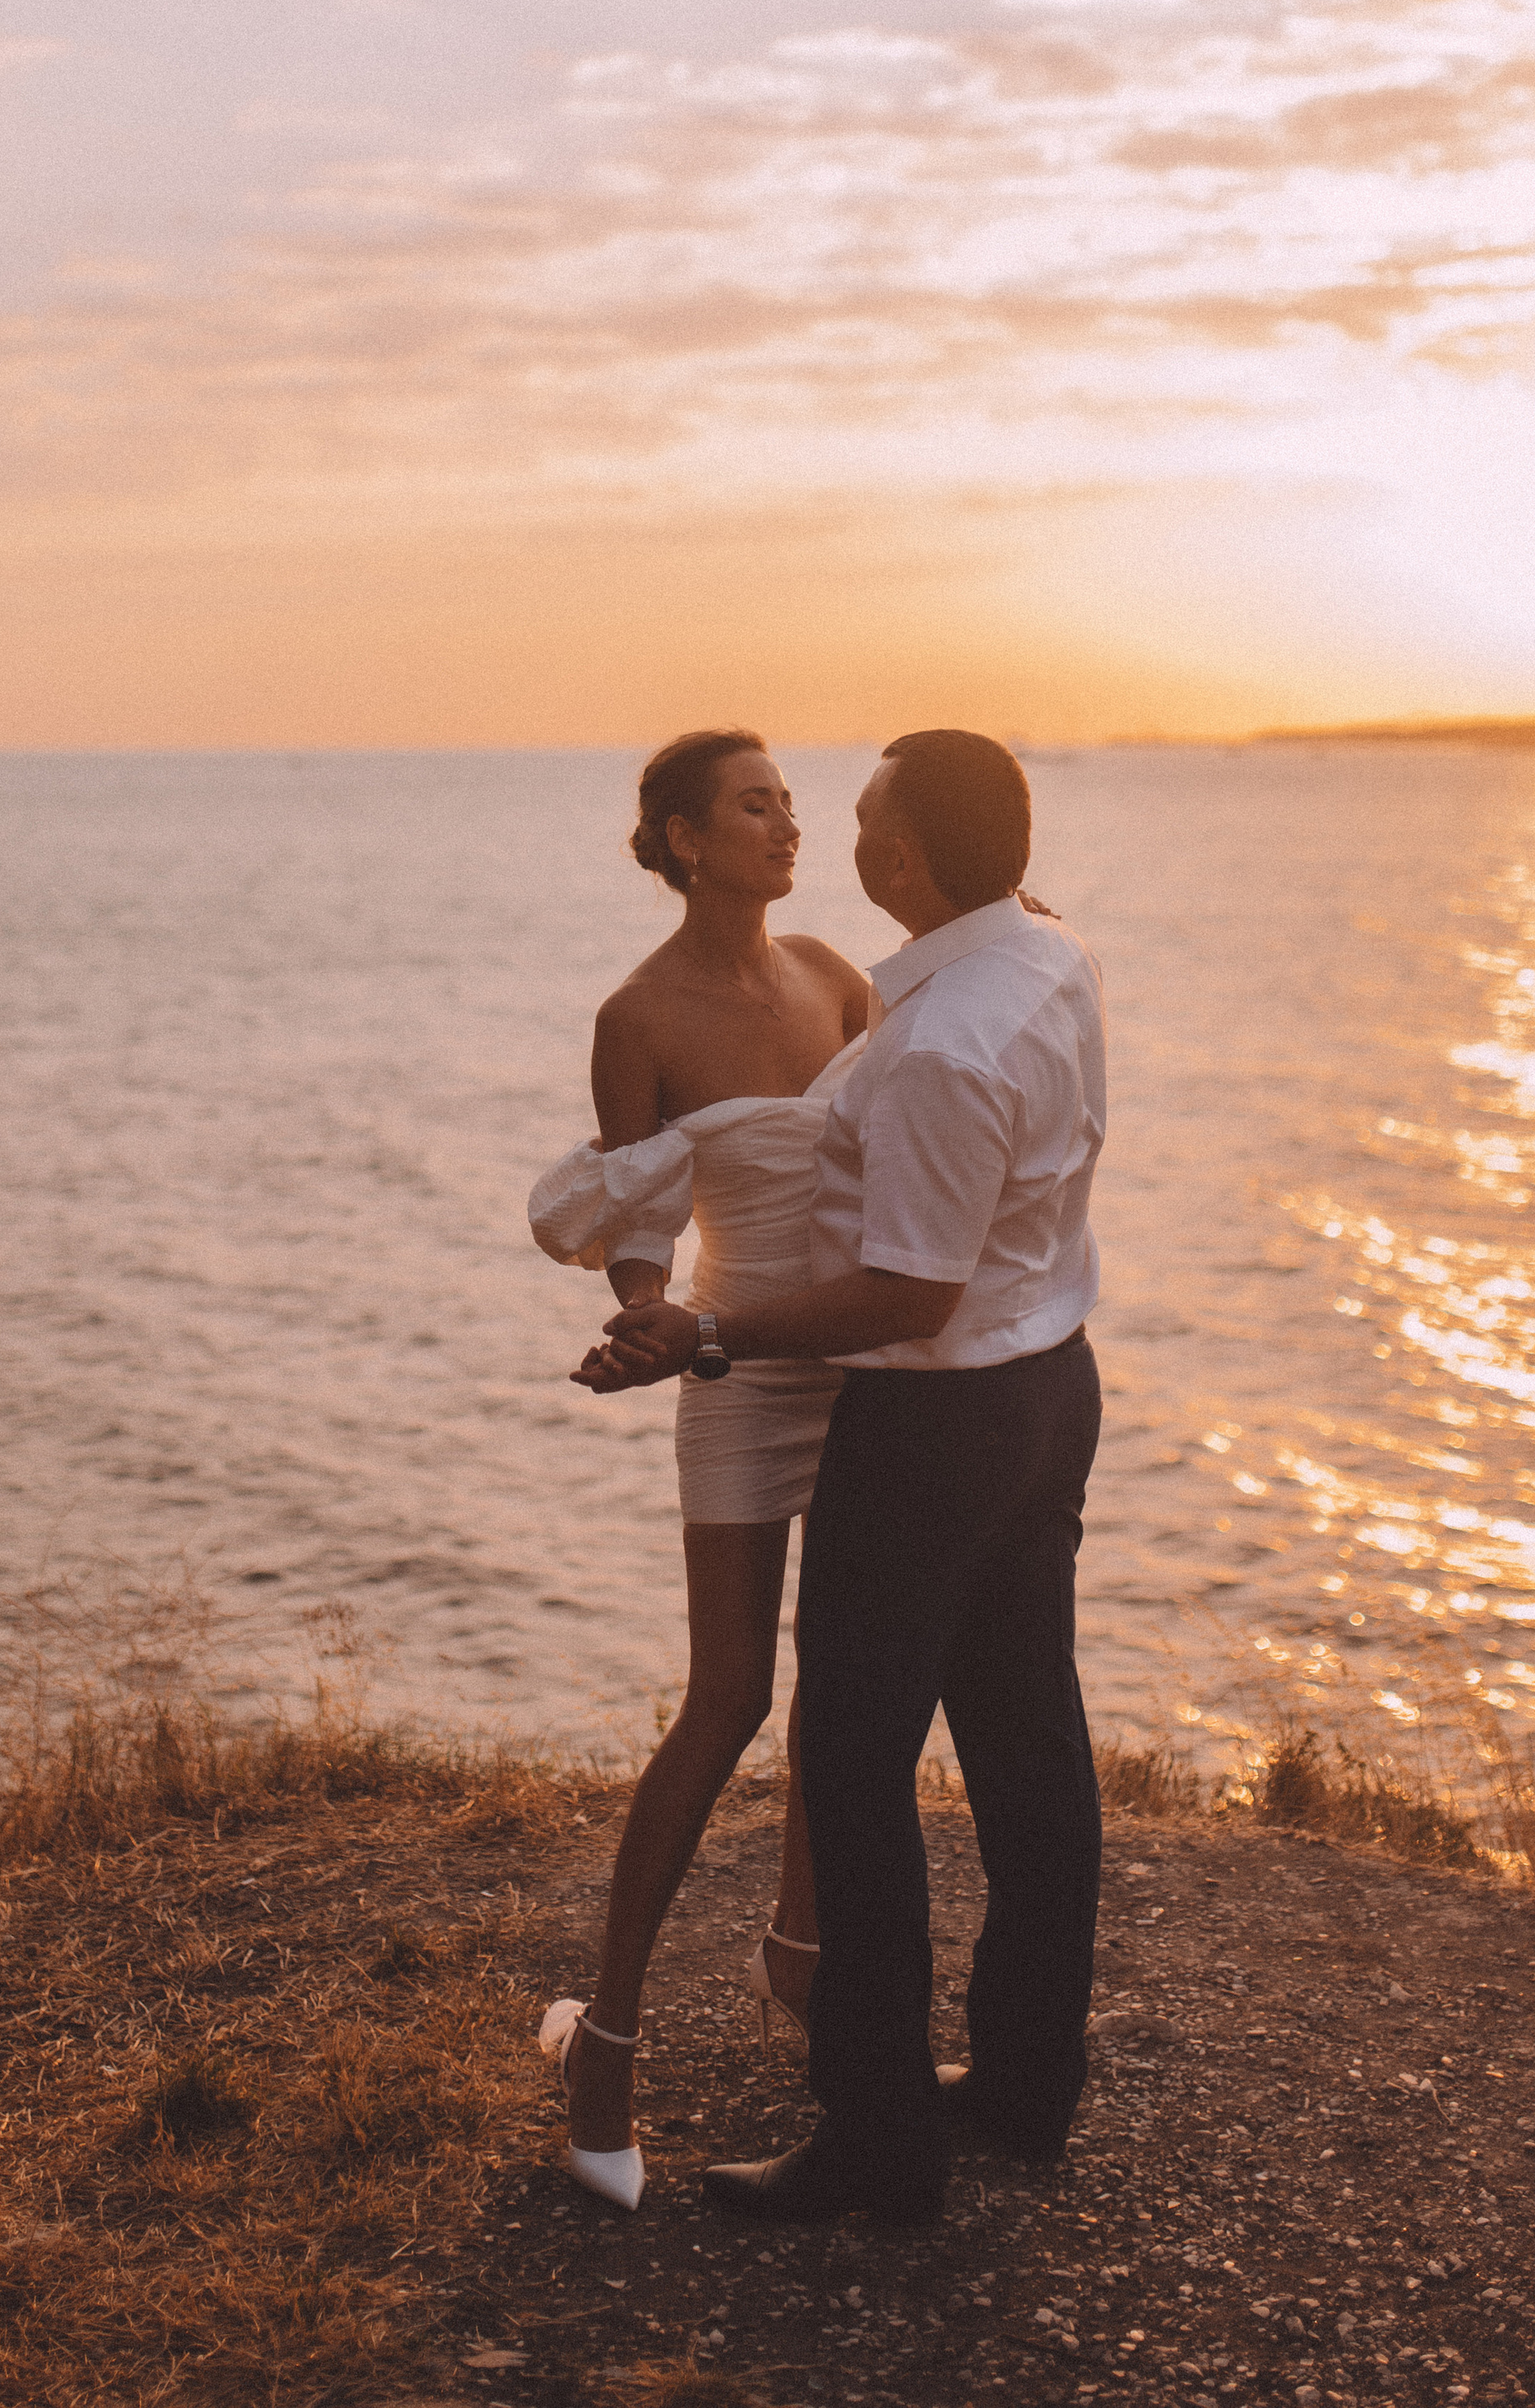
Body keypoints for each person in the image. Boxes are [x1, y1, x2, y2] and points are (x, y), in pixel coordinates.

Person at [585, 730, 1106, 2227]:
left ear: (902, 860)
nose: (829, 827)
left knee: (859, 1767)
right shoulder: (1036, 960)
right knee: (1026, 1742)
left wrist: (710, 1327)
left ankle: (878, 2141)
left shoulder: (941, 1040)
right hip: (1044, 1394)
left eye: (857, 813)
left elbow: (904, 1297)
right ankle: (1020, 2081)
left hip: (935, 1425)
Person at [529, 729, 869, 2210]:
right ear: (678, 838)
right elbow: (639, 1211)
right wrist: (645, 1319)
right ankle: (604, 2039)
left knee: (848, 1680)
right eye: (753, 805)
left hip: (863, 1358)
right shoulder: (638, 1012)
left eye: (790, 802)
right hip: (731, 1371)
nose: (786, 824)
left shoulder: (836, 975)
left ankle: (803, 1967)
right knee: (726, 1697)